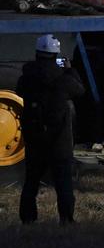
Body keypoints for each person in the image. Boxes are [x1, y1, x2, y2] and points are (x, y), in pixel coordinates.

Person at [18, 34, 84, 225]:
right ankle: (66, 218)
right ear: (56, 54)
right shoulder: (62, 79)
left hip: (34, 136)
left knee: (31, 181)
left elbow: (20, 91)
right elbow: (80, 91)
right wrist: (70, 71)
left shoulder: (27, 78)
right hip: (58, 139)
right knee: (63, 181)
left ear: (37, 53)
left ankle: (28, 218)